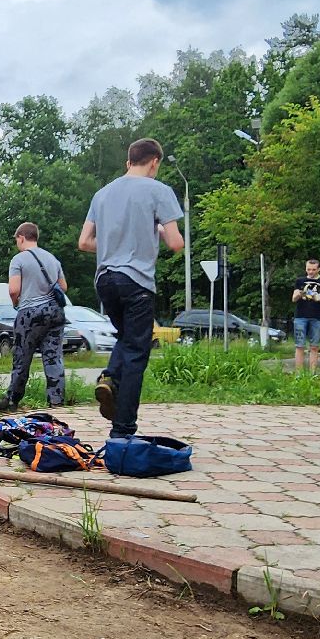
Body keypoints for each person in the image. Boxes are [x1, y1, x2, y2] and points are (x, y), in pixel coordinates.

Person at [78, 138, 185, 441]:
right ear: (155, 162)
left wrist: (115, 244)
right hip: (136, 282)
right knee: (138, 352)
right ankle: (123, 431)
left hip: (105, 281)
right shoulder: (159, 190)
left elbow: (84, 242)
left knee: (126, 339)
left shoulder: (102, 194)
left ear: (129, 162)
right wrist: (161, 230)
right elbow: (176, 244)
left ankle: (110, 377)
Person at [0, 222, 69, 411]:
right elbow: (63, 287)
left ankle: (12, 400)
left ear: (21, 237)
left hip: (30, 313)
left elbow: (13, 289)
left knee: (22, 356)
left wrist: (16, 302)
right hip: (55, 312)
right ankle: (56, 400)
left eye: (16, 239)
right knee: (53, 356)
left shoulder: (18, 260)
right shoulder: (52, 258)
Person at [290, 258, 320, 372]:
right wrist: (299, 294)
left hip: (317, 317)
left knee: (314, 346)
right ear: (305, 269)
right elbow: (293, 299)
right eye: (308, 269)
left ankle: (312, 372)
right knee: (299, 345)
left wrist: (319, 298)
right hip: (300, 316)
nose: (311, 272)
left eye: (313, 269)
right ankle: (299, 373)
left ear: (318, 269)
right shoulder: (299, 281)